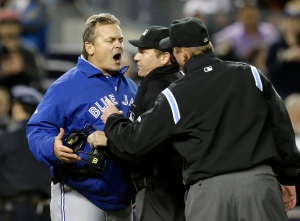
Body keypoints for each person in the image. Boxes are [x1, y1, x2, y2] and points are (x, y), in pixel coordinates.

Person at [95, 17, 299, 221]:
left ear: (183, 54)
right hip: (258, 184)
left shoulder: (176, 94)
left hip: (209, 192)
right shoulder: (250, 74)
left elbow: (135, 141)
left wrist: (113, 119)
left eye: (174, 50)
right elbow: (281, 126)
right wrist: (289, 176)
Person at [26, 13, 137, 221]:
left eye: (120, 40)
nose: (118, 46)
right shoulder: (66, 86)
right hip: (79, 192)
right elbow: (37, 130)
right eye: (110, 40)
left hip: (121, 197)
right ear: (90, 47)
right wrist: (52, 147)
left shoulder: (130, 87)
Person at [88, 26, 185, 221]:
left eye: (144, 52)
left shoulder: (159, 88)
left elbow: (145, 146)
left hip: (161, 191)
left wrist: (111, 134)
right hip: (166, 190)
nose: (136, 57)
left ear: (164, 58)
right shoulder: (172, 81)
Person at [0, 85, 51, 221]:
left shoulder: (6, 137)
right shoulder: (49, 138)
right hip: (44, 210)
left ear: (17, 106)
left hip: (14, 211)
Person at [266, 0, 300, 100]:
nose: (292, 24)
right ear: (283, 22)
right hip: (282, 94)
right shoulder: (276, 46)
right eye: (289, 20)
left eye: (296, 20)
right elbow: (271, 72)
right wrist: (285, 59)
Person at [0, 8, 42, 90]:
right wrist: (5, 72)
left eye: (12, 24)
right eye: (5, 25)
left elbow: (38, 78)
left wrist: (22, 69)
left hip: (26, 93)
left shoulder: (29, 49)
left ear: (18, 27)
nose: (9, 29)